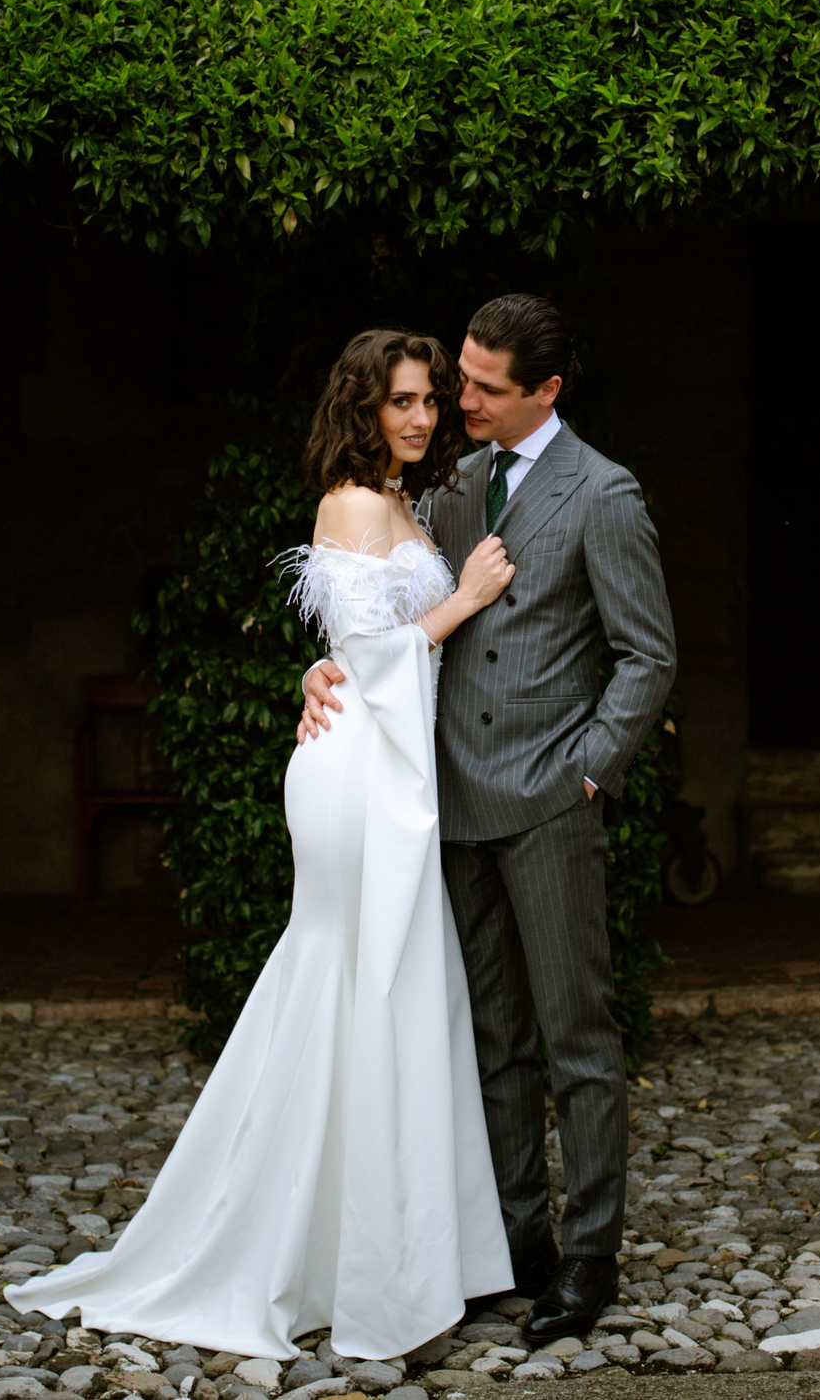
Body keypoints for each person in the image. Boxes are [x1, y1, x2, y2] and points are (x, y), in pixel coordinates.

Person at [5, 329, 515, 1359]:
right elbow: (370, 658)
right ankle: (319, 1251)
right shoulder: (352, 499)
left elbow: (345, 647)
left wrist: (322, 666)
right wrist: (461, 601)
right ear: (362, 407)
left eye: (428, 400)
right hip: (355, 778)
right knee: (351, 979)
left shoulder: (400, 503)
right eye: (400, 401)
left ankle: (375, 1252)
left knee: (384, 985)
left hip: (377, 762)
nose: (419, 417)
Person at [297, 293, 677, 1346]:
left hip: (549, 800)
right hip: (443, 801)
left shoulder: (603, 493)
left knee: (578, 1036)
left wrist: (589, 772)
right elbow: (381, 609)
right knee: (492, 1039)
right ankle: (517, 1246)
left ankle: (590, 1252)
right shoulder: (452, 483)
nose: (459, 399)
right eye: (456, 377)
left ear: (544, 391)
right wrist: (323, 664)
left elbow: (648, 655)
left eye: (482, 386)